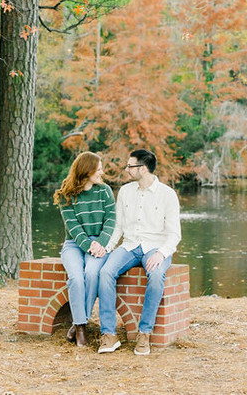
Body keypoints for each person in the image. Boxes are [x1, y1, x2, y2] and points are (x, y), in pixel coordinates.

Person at [97, 149, 181, 356]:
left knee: (155, 275)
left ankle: (144, 333)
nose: (126, 170)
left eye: (130, 166)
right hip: (129, 246)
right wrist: (106, 248)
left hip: (156, 247)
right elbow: (118, 227)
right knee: (105, 272)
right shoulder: (125, 192)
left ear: (142, 169)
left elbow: (174, 234)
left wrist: (161, 254)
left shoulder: (168, 195)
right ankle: (108, 334)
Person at [53, 151, 116, 347]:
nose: (102, 172)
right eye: (98, 169)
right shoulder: (66, 194)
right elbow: (73, 228)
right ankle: (80, 326)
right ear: (86, 171)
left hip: (99, 243)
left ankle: (79, 322)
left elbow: (111, 220)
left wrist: (101, 243)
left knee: (91, 272)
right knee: (76, 278)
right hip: (74, 244)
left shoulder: (104, 191)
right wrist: (89, 245)